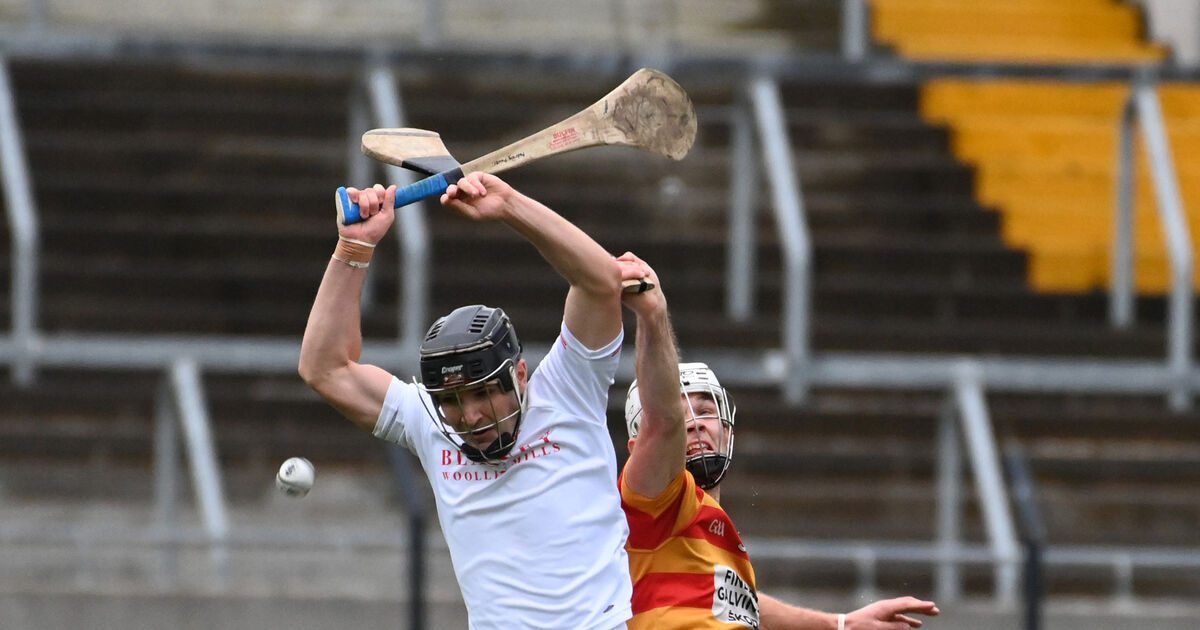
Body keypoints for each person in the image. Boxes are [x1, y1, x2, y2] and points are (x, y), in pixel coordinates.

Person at [299, 173, 651, 630]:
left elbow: (601, 280)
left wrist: (509, 206)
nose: (470, 415)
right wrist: (354, 248)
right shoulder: (429, 422)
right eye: (451, 400)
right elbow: (325, 368)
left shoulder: (570, 388)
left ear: (519, 375)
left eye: (484, 392)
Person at [617, 252, 941, 630]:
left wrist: (841, 624)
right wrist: (653, 317)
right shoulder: (652, 501)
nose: (693, 425)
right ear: (637, 449)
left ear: (728, 430)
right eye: (680, 417)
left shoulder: (713, 539)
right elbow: (662, 422)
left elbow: (743, 604)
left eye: (705, 411)